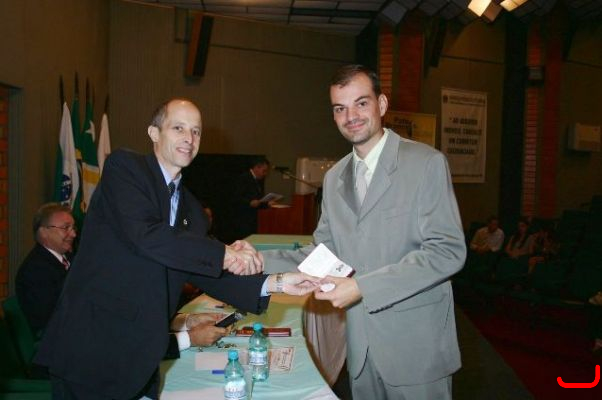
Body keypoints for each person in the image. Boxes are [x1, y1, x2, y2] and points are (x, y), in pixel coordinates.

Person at [34, 98, 318, 400]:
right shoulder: (125, 168)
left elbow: (206, 271)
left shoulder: (192, 211)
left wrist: (278, 282)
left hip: (141, 358)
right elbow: (147, 235)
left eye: (196, 131)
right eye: (178, 128)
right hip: (91, 351)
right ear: (154, 133)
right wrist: (226, 253)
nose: (189, 138)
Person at [262, 65, 466, 399]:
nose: (350, 116)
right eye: (339, 108)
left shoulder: (425, 163)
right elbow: (322, 254)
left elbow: (447, 252)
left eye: (361, 103)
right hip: (361, 350)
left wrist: (362, 287)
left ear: (381, 104)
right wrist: (257, 261)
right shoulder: (334, 178)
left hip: (416, 350)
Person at [15, 203, 76, 337]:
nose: (73, 234)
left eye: (73, 228)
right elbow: (51, 318)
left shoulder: (69, 258)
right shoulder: (35, 270)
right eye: (66, 228)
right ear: (44, 233)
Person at [232, 156, 276, 239]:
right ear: (256, 167)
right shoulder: (243, 178)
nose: (265, 174)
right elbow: (236, 198)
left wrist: (267, 203)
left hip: (254, 219)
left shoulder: (258, 180)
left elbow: (259, 200)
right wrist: (249, 203)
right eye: (264, 171)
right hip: (244, 219)